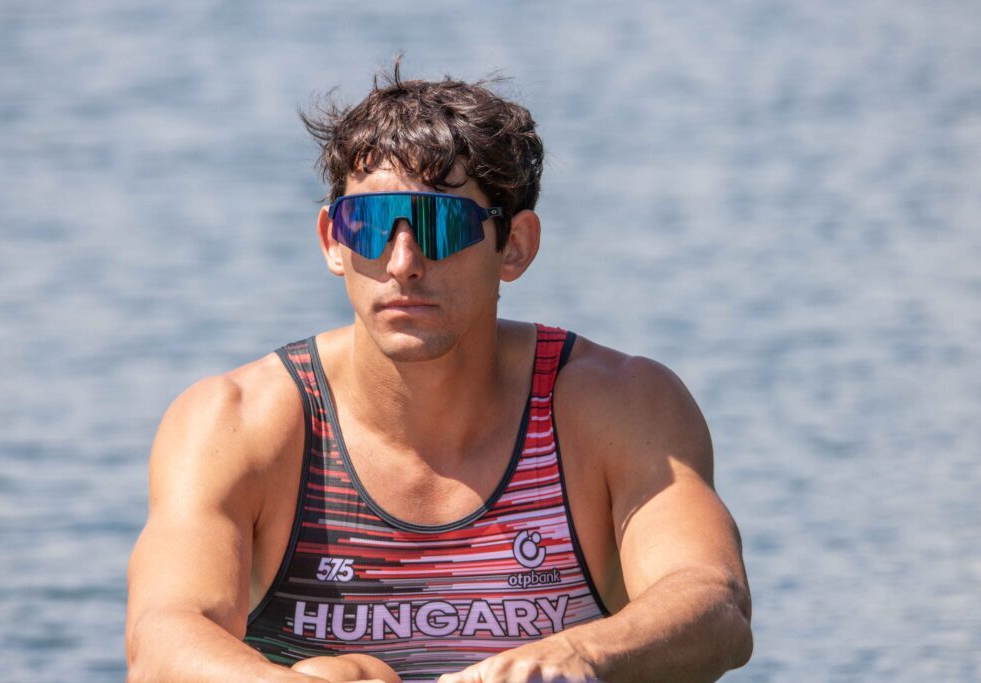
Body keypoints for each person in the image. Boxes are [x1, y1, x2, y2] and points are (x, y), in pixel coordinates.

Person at [125, 63, 753, 683]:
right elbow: (161, 639)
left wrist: (578, 657)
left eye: (440, 225)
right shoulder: (234, 421)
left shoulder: (621, 405)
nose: (402, 262)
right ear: (332, 241)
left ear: (515, 246)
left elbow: (714, 604)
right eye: (370, 225)